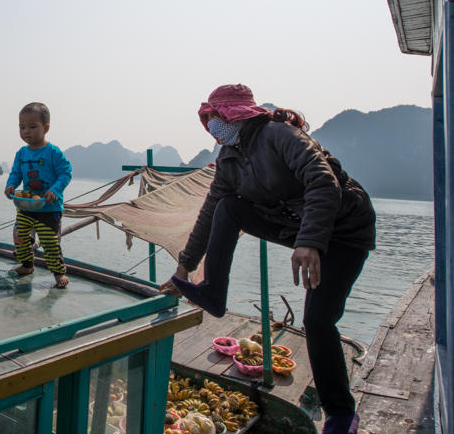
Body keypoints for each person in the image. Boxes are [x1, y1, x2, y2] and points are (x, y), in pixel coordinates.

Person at [160, 84, 375, 434]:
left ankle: (341, 413)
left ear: (232, 114)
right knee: (227, 207)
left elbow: (323, 182)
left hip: (344, 230)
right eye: (208, 119)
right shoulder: (230, 158)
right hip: (296, 224)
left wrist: (309, 242)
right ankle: (213, 291)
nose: (211, 125)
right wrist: (185, 265)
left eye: (215, 117)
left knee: (318, 320)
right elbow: (210, 212)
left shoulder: (279, 135)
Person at [4, 102, 73, 288]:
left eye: (32, 127)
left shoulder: (53, 152)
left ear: (46, 128)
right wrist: (11, 185)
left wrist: (55, 190)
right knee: (20, 236)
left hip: (49, 208)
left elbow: (66, 173)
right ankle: (27, 265)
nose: (26, 131)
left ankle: (59, 274)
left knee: (50, 242)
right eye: (22, 127)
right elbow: (16, 173)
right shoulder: (21, 153)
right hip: (26, 206)